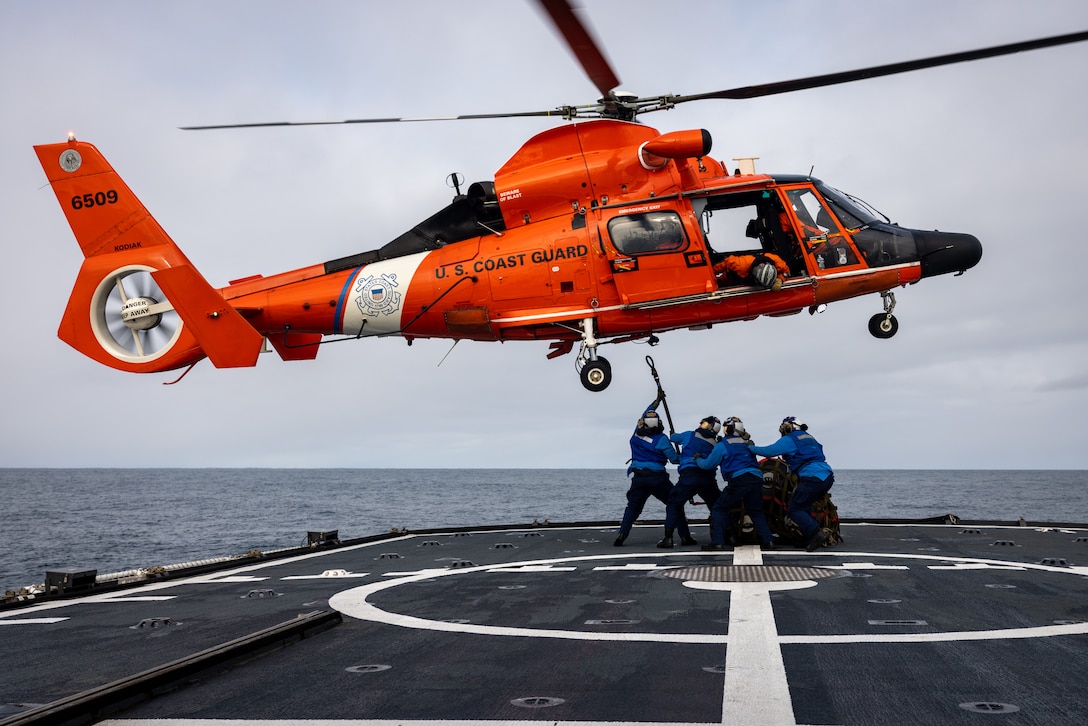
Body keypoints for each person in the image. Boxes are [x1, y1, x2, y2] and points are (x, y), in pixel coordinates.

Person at [750, 416, 835, 552]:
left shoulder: (790, 439)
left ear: (789, 427)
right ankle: (806, 537)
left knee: (794, 509)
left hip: (812, 477)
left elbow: (769, 451)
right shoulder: (809, 437)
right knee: (805, 507)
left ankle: (816, 533)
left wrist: (750, 448)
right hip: (826, 476)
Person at [614, 405, 694, 547]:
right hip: (657, 478)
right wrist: (685, 456)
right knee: (675, 504)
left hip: (638, 478)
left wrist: (654, 403)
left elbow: (644, 414)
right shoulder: (662, 439)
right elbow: (674, 459)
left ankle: (622, 535)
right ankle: (685, 537)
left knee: (632, 507)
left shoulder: (636, 434)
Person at [695, 417, 775, 550]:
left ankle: (718, 542)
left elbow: (707, 465)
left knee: (719, 508)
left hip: (739, 480)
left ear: (728, 429)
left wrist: (697, 459)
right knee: (755, 511)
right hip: (756, 479)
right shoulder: (747, 443)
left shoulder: (722, 445)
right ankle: (769, 541)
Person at [658, 416, 722, 548]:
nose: (700, 423)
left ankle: (668, 538)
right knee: (717, 507)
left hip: (689, 476)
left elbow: (674, 438)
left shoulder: (689, 435)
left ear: (710, 426)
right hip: (707, 478)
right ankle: (722, 537)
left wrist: (672, 434)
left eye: (703, 422)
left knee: (674, 503)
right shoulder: (716, 444)